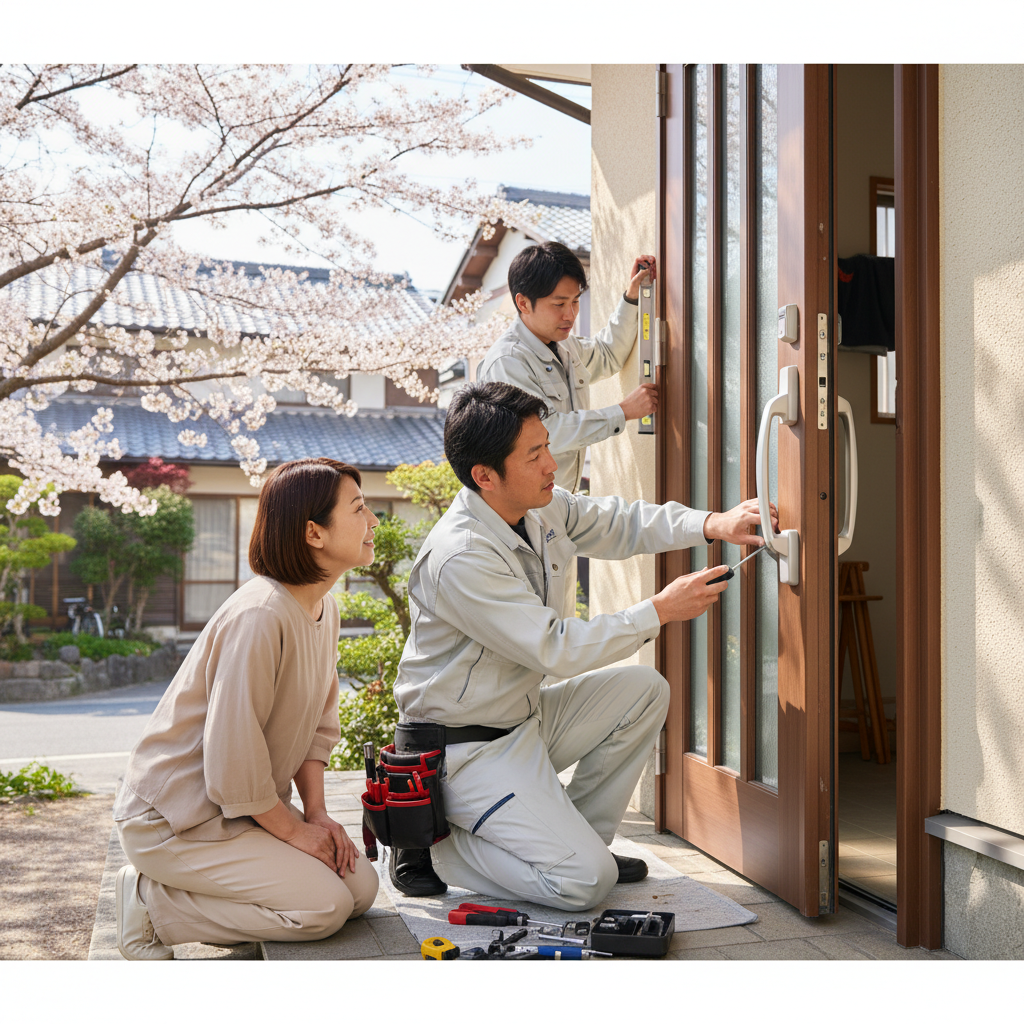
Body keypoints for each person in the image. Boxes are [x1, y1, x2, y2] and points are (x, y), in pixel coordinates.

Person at [388, 382, 778, 911]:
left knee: (642, 690)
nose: (553, 463)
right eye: (534, 455)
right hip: (464, 749)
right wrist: (659, 609)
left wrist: (711, 524)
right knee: (584, 885)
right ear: (485, 476)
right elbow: (556, 649)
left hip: (520, 721)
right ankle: (438, 849)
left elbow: (618, 521)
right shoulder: (461, 557)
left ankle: (582, 843)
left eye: (547, 445)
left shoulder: (537, 507)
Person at [112, 457, 381, 960]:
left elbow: (317, 727)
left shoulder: (324, 608)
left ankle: (176, 897)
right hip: (177, 820)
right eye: (359, 509)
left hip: (243, 810)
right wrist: (294, 831)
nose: (373, 522)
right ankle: (151, 905)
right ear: (313, 533)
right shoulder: (261, 614)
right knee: (322, 908)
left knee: (359, 890)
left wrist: (317, 815)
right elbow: (231, 755)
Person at [477, 241, 659, 616]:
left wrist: (631, 298)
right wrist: (622, 412)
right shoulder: (508, 363)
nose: (571, 313)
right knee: (531, 622)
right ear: (523, 302)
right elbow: (545, 434)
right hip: (520, 516)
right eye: (559, 304)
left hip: (554, 507)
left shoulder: (565, 347)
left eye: (575, 301)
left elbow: (607, 354)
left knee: (557, 619)